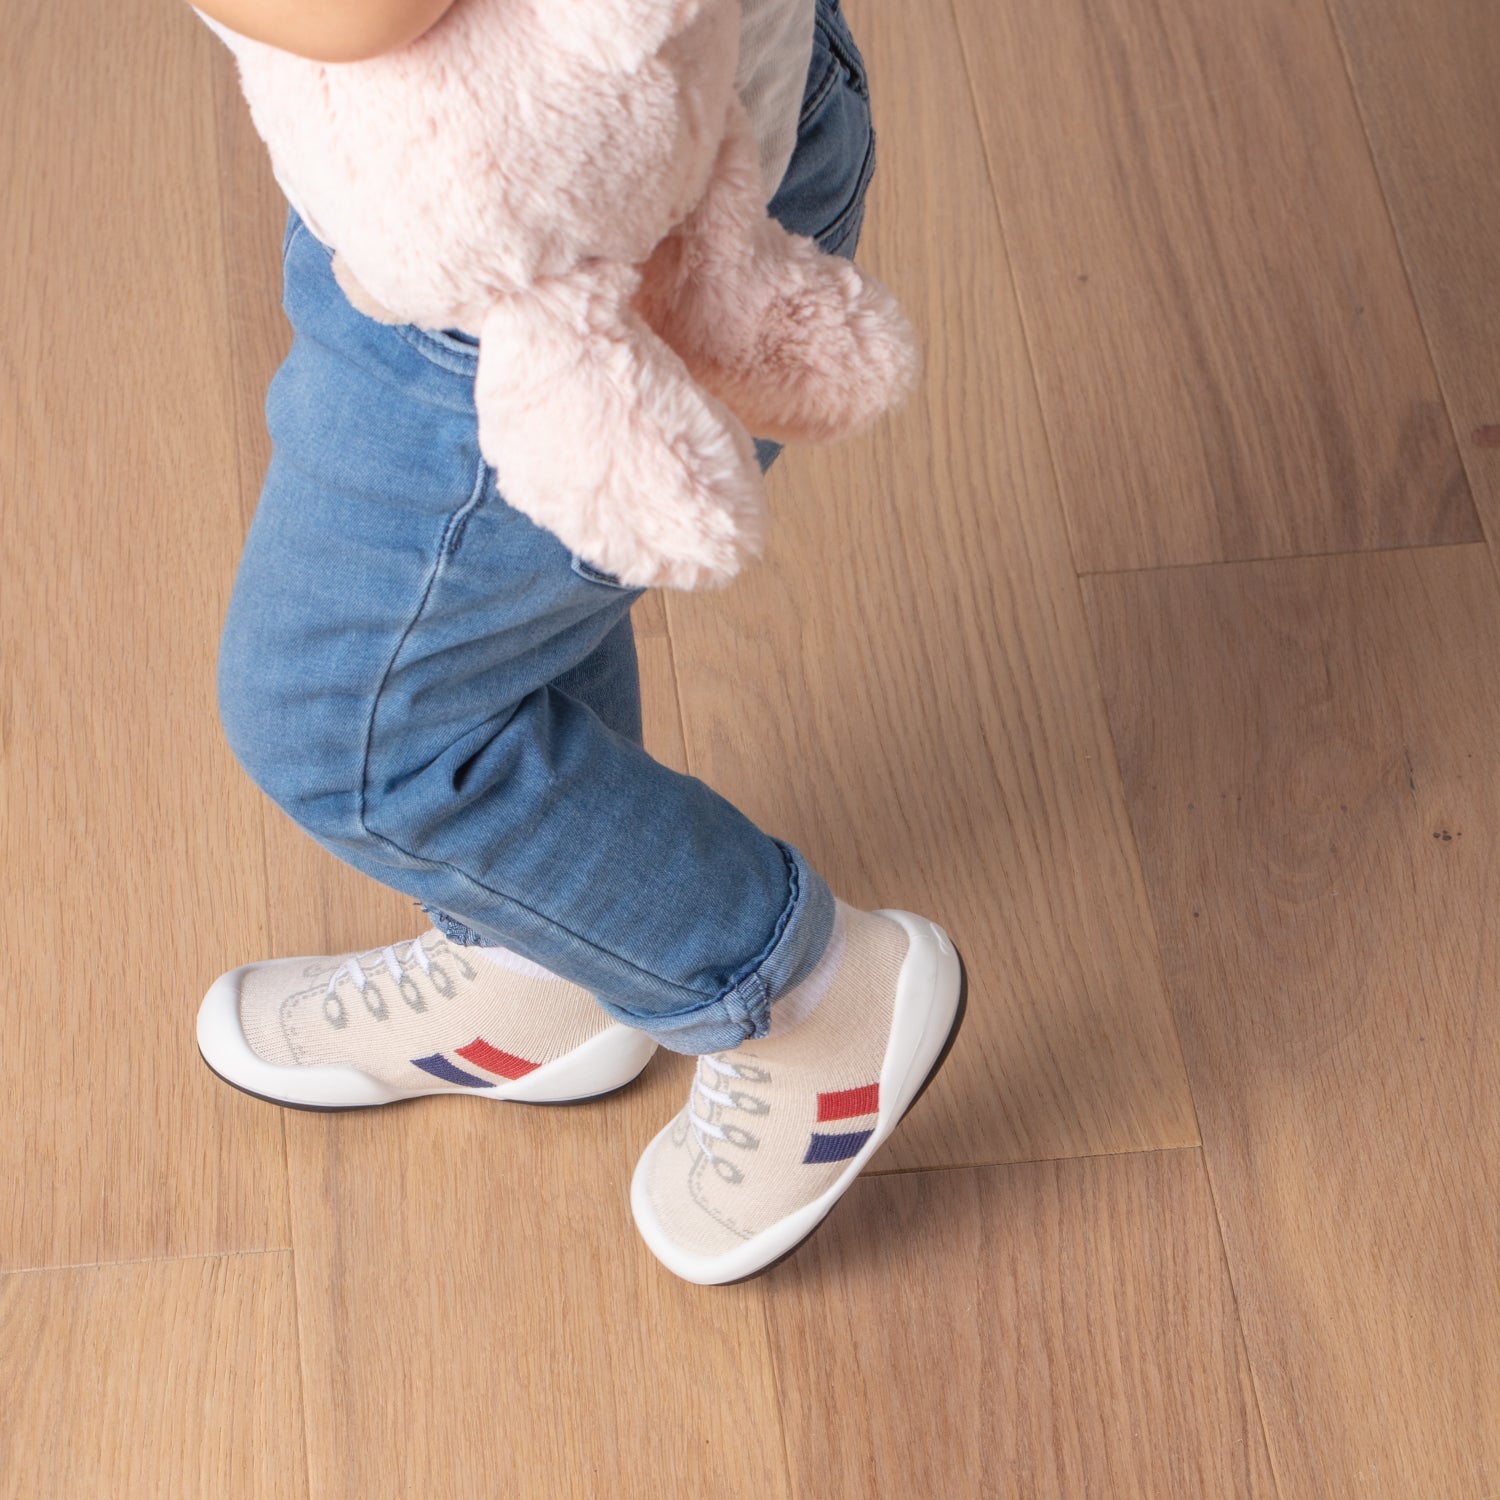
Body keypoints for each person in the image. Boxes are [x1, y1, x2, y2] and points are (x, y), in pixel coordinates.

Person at [192, 0, 966, 1285]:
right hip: (538, 157)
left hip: (571, 253)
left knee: (341, 721)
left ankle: (805, 999)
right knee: (481, 624)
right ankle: (539, 963)